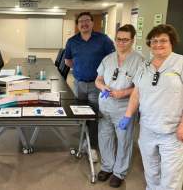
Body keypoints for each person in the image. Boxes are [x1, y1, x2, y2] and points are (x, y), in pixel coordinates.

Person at [119, 24, 183, 190]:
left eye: (163, 40)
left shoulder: (180, 63)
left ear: (172, 42)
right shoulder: (144, 66)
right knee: (151, 170)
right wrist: (127, 115)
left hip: (172, 131)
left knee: (171, 177)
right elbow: (136, 93)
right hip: (147, 127)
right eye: (154, 41)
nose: (158, 44)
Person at [95, 24, 143, 187]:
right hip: (105, 106)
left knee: (124, 140)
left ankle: (119, 172)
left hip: (124, 109)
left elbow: (140, 87)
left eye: (125, 40)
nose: (121, 43)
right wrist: (102, 87)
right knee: (105, 137)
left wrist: (123, 93)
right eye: (118, 39)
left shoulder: (139, 61)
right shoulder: (108, 58)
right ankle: (107, 167)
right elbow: (98, 79)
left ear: (132, 40)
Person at [64, 11, 115, 161]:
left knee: (93, 116)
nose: (84, 23)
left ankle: (92, 146)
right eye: (81, 21)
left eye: (87, 20)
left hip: (97, 85)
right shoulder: (72, 41)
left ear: (92, 23)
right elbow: (68, 61)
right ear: (78, 25)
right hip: (79, 83)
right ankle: (84, 140)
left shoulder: (103, 40)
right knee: (80, 114)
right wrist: (81, 68)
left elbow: (111, 60)